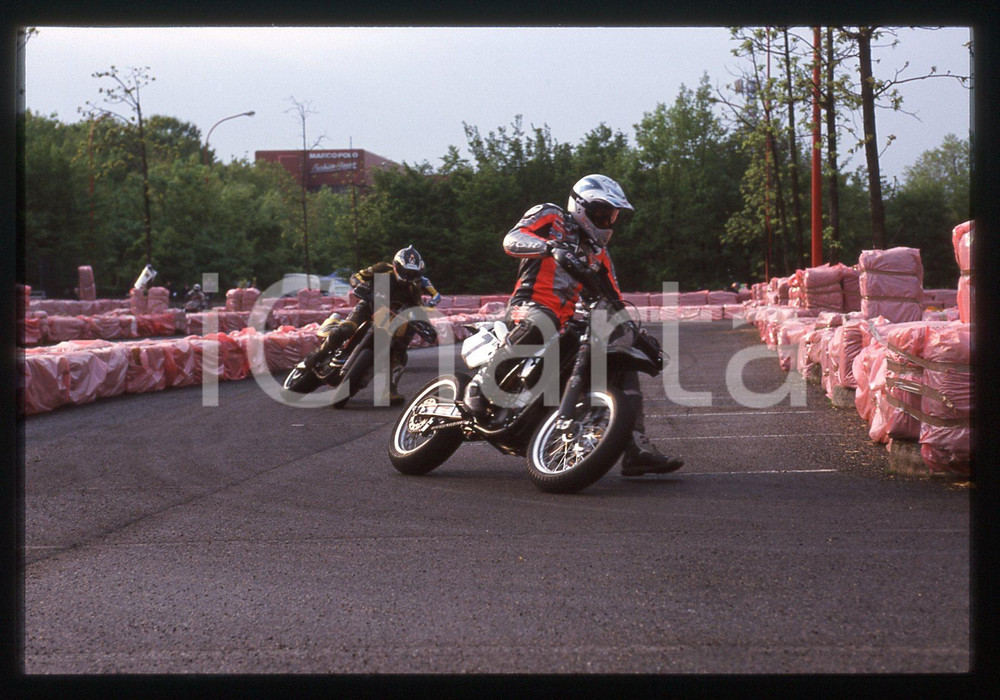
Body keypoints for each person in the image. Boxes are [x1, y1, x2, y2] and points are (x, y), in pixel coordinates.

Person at [463, 174, 683, 476]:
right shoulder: (552, 216)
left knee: (621, 354)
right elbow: (512, 239)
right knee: (544, 321)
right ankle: (480, 386)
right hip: (530, 305)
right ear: (581, 206)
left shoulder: (599, 253)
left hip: (569, 320)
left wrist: (639, 337)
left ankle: (635, 447)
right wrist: (549, 247)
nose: (607, 221)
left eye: (612, 215)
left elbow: (615, 299)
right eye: (602, 212)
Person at [316, 245, 441, 406]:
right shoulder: (383, 269)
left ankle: (389, 390)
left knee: (400, 349)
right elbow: (357, 276)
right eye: (406, 271)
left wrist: (426, 326)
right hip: (369, 306)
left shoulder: (414, 288)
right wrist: (360, 285)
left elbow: (418, 309)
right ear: (397, 266)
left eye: (413, 273)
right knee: (348, 328)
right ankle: (322, 352)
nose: (409, 276)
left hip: (392, 319)